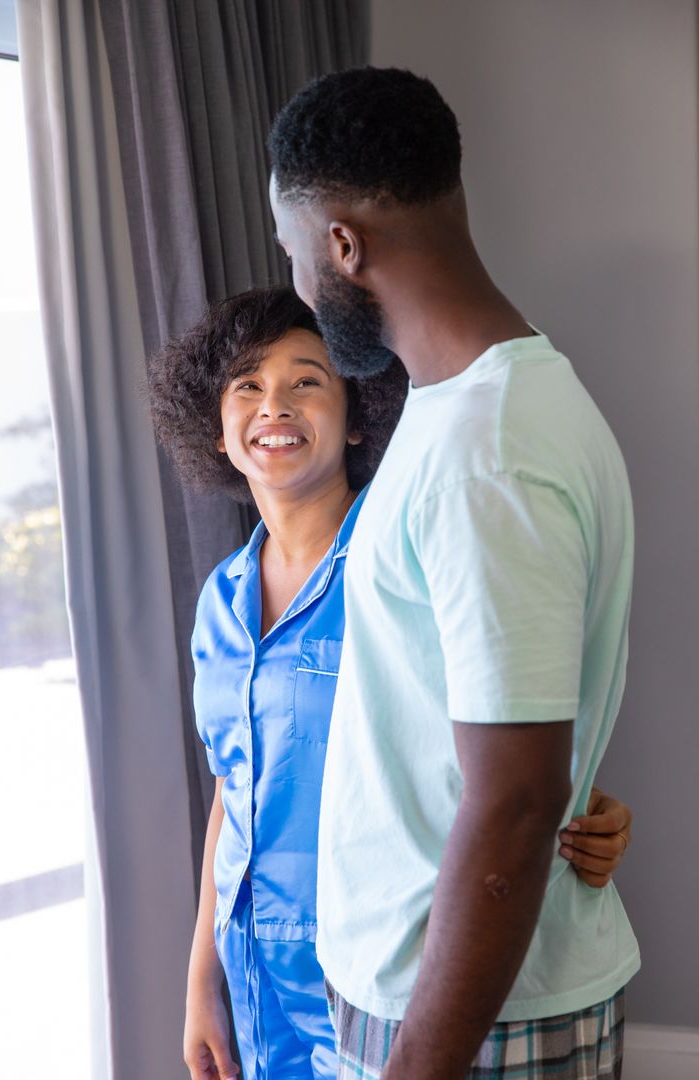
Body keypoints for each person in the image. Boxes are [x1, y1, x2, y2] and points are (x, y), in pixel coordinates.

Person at [148, 285, 633, 1080]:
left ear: (359, 413)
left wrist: (586, 806)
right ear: (217, 426)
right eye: (247, 385)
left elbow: (497, 731)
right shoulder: (221, 602)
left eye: (306, 381)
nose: (275, 404)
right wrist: (202, 978)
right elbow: (235, 793)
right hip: (254, 986)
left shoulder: (396, 557)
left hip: (377, 977)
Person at [267, 68, 640, 1079]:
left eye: (297, 255)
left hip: (468, 1019)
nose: (301, 285)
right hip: (428, 995)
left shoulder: (492, 448)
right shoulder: (458, 415)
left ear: (341, 245)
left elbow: (517, 799)